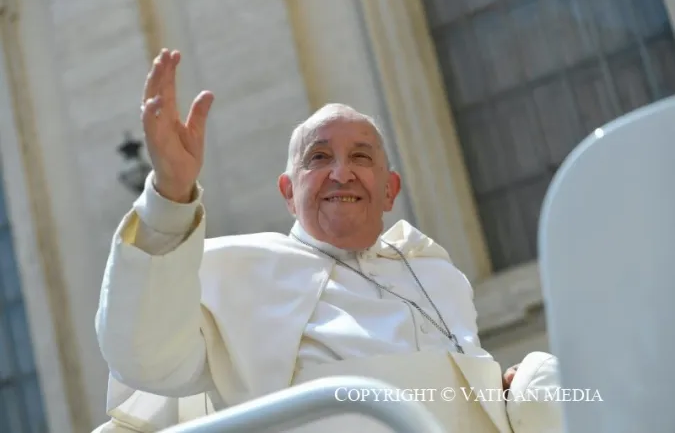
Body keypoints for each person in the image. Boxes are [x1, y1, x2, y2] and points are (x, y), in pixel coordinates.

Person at [93, 49, 563, 432]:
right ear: (288, 194)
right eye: (318, 157)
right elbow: (145, 358)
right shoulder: (238, 274)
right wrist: (170, 196)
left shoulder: (435, 272)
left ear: (389, 190)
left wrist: (498, 394)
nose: (341, 173)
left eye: (361, 156)